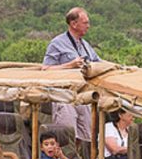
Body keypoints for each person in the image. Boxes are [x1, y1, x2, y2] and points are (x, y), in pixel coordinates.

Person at [42, 7, 102, 144]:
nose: (88, 26)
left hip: (82, 96)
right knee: (67, 138)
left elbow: (98, 63)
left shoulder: (85, 45)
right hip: (64, 97)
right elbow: (45, 69)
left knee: (86, 137)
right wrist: (70, 65)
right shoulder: (57, 43)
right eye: (85, 22)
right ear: (73, 24)